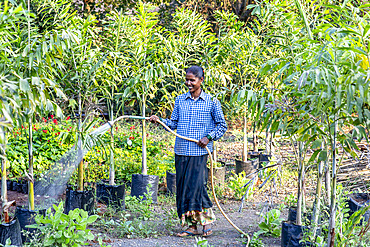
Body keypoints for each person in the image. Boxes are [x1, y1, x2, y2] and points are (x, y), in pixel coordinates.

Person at [149, 65, 227, 237]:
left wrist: (208, 137)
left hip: (199, 152)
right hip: (181, 150)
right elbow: (173, 123)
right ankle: (190, 226)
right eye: (187, 79)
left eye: (192, 80)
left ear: (201, 80)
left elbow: (222, 125)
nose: (189, 83)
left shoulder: (212, 102)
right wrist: (159, 120)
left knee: (198, 187)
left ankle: (206, 222)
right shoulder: (180, 100)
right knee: (183, 189)